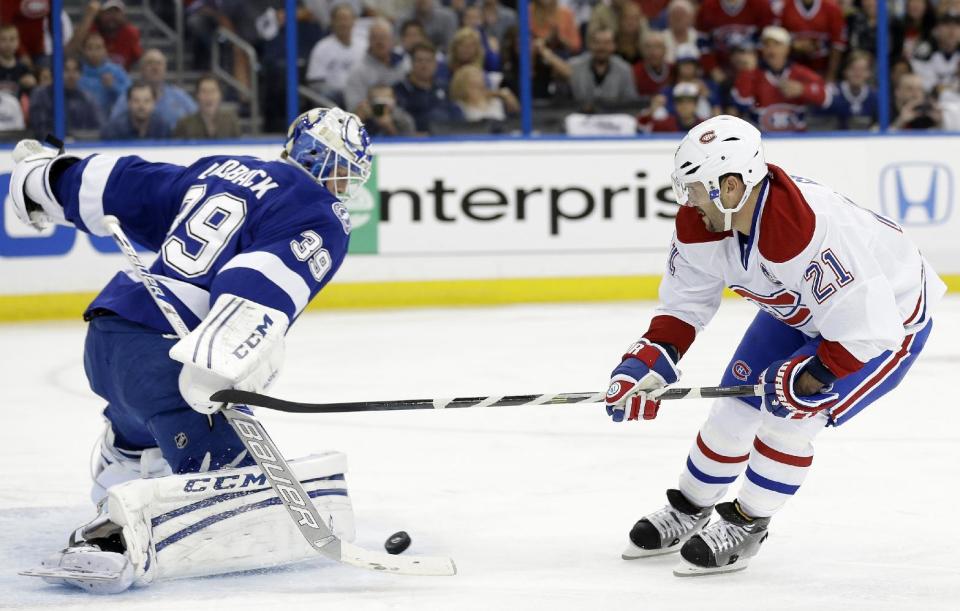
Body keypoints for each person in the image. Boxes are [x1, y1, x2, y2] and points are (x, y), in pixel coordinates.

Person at [8, 107, 373, 593]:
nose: (343, 186)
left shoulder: (223, 167)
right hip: (168, 358)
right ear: (332, 164)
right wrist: (223, 358)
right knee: (234, 486)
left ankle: (125, 461)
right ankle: (109, 538)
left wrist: (46, 179)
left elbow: (127, 185)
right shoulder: (320, 211)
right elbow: (259, 282)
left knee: (144, 421)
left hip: (109, 337)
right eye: (346, 172)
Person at [605, 114, 944, 576]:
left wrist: (812, 375)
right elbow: (683, 307)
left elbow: (866, 326)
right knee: (733, 410)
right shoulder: (702, 221)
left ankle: (748, 524)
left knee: (789, 419)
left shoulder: (803, 229)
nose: (688, 201)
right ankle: (690, 506)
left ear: (731, 186)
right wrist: (648, 360)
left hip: (886, 324)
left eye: (696, 189)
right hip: (801, 310)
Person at [732, 26, 828, 132]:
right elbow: (741, 106)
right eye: (767, 45)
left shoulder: (800, 73)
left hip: (798, 140)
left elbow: (826, 97)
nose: (771, 50)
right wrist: (747, 73)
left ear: (787, 48)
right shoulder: (752, 74)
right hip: (762, 139)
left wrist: (803, 90)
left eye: (777, 45)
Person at [108, 48, 197, 132]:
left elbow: (197, 117)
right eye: (150, 63)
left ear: (165, 69)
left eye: (159, 63)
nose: (155, 67)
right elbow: (113, 125)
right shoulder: (128, 97)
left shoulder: (180, 97)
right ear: (141, 69)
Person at [563, 26, 639, 111]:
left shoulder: (625, 69)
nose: (602, 47)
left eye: (607, 43)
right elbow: (562, 102)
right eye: (597, 42)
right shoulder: (573, 66)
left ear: (614, 46)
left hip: (614, 118)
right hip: (579, 117)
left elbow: (631, 103)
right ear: (590, 45)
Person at [305, 3, 365, 107]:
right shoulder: (322, 47)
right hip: (334, 101)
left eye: (347, 19)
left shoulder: (363, 45)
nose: (343, 23)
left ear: (354, 21)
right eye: (340, 19)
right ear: (332, 22)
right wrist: (344, 92)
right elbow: (315, 84)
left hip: (361, 96)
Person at [27, 56, 103, 137]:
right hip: (50, 148)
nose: (71, 75)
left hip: (81, 147)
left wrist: (77, 141)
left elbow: (99, 129)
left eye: (75, 70)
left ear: (80, 74)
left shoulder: (87, 99)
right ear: (56, 72)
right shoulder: (41, 95)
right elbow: (41, 132)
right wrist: (64, 144)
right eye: (66, 70)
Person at [343, 18, 406, 111]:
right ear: (369, 41)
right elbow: (354, 109)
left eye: (384, 37)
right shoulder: (357, 72)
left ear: (392, 40)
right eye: (375, 37)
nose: (379, 42)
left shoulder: (403, 64)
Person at [69, 0, 143, 70]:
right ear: (100, 14)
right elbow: (71, 50)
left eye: (116, 12)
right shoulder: (92, 30)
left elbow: (139, 59)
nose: (112, 17)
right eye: (108, 12)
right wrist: (89, 16)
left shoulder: (130, 33)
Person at [78, 31, 130, 116]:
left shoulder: (116, 71)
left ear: (105, 50)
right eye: (89, 48)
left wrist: (113, 85)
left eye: (98, 48)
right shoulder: (77, 71)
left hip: (109, 121)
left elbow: (130, 94)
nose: (94, 52)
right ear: (83, 50)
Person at [174, 75, 241, 139]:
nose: (209, 96)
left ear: (220, 95)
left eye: (213, 91)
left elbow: (239, 147)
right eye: (204, 91)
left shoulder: (230, 122)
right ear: (197, 95)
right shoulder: (184, 124)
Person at [100, 81, 171, 140]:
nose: (141, 106)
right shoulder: (113, 129)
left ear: (154, 103)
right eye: (136, 101)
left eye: (147, 101)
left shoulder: (162, 127)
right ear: (129, 103)